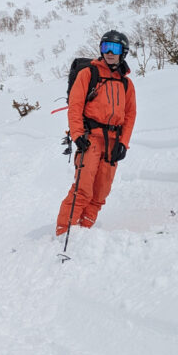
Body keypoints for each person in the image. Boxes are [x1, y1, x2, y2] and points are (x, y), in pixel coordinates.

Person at [55, 30, 137, 236]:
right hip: (90, 139)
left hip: (113, 143)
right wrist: (77, 135)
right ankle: (64, 233)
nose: (109, 52)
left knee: (101, 193)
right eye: (105, 47)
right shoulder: (88, 74)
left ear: (123, 52)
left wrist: (123, 143)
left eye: (115, 48)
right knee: (82, 190)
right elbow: (75, 107)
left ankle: (85, 232)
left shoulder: (126, 83)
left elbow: (130, 115)